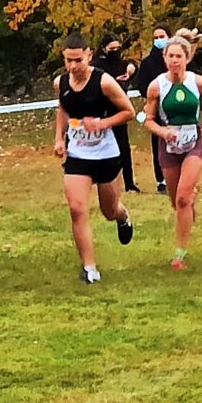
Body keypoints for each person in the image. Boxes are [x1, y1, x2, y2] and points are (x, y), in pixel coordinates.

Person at [53, 34, 135, 284]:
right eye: (68, 60)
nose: (73, 66)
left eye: (78, 60)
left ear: (89, 55)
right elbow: (63, 108)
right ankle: (90, 268)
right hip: (78, 154)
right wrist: (59, 138)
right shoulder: (61, 82)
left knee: (108, 210)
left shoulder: (104, 82)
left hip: (106, 153)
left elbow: (129, 112)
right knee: (77, 209)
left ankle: (123, 217)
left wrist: (101, 123)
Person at [143, 32, 202, 270]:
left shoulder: (199, 82)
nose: (174, 60)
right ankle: (188, 209)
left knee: (183, 197)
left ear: (187, 58)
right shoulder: (156, 87)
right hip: (169, 146)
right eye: (170, 56)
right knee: (177, 201)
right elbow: (148, 119)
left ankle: (179, 254)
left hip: (194, 143)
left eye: (178, 56)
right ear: (164, 58)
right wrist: (163, 133)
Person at [91, 35, 139, 192]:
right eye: (112, 49)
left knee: (124, 148)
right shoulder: (97, 66)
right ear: (104, 49)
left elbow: (134, 71)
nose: (116, 52)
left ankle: (129, 183)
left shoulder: (121, 63)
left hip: (120, 111)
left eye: (118, 48)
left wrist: (132, 67)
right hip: (103, 112)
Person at [135, 25, 171, 193]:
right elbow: (141, 85)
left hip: (175, 107)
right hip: (155, 108)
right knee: (158, 143)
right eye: (155, 37)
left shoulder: (174, 59)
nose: (159, 40)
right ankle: (161, 179)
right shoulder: (147, 63)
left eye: (161, 36)